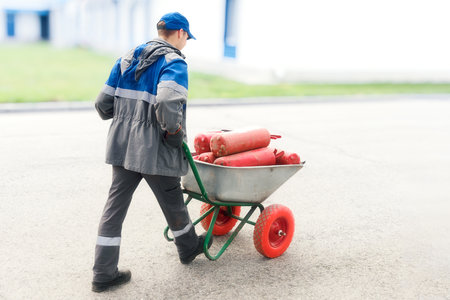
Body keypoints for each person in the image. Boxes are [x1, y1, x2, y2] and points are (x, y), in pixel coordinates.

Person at [92, 12, 211, 293]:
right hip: (154, 148)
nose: (186, 43)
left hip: (123, 146)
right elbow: (169, 101)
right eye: (187, 38)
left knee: (114, 208)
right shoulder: (173, 62)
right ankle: (188, 247)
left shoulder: (128, 57)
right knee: (172, 199)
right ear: (180, 33)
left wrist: (122, 118)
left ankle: (103, 273)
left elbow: (102, 103)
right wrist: (172, 134)